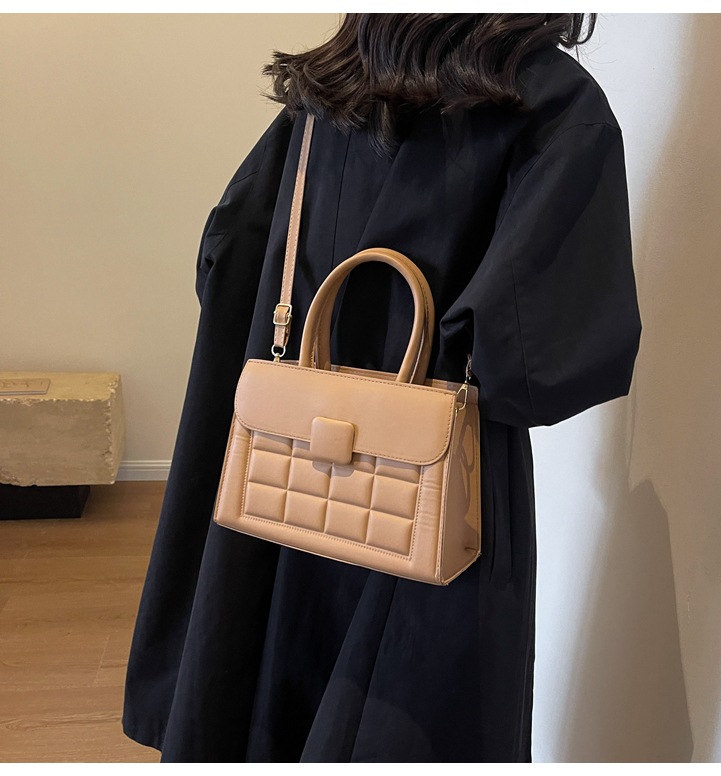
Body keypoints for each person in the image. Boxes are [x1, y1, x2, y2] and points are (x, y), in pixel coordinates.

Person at [122, 13, 642, 762]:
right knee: (409, 699)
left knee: (259, 675)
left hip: (285, 465)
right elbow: (540, 355)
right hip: (429, 489)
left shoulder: (326, 92)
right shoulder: (546, 99)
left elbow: (227, 257)